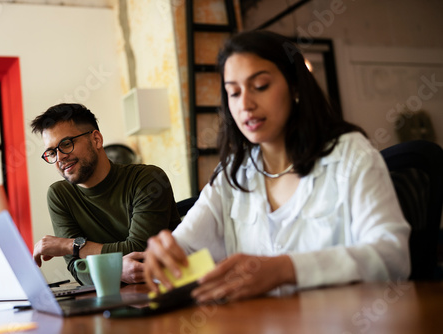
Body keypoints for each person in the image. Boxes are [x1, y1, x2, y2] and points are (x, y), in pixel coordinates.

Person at [144, 30, 411, 303]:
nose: (245, 105)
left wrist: (287, 269)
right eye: (234, 93)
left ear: (295, 86)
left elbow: (392, 256)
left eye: (260, 86)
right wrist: (164, 255)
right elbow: (184, 249)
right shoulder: (233, 175)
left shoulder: (349, 154)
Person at [31, 103, 181, 284]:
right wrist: (116, 270)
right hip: (109, 302)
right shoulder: (59, 195)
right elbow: (78, 270)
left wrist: (69, 245)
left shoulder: (148, 179)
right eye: (51, 152)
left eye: (66, 144)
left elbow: (139, 251)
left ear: (96, 140)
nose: (60, 157)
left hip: (167, 291)